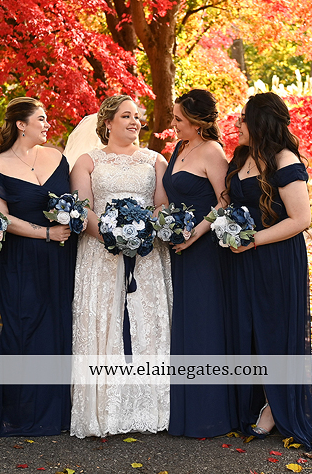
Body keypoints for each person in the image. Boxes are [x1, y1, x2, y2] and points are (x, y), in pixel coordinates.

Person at [224, 92, 312, 450]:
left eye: (243, 118)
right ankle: (254, 400)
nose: (238, 124)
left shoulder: (285, 159)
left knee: (275, 331)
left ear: (260, 122)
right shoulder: (242, 157)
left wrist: (253, 240)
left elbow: (301, 219)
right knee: (248, 331)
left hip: (276, 258)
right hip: (242, 260)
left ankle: (277, 406)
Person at [69, 95, 172, 438]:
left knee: (146, 322)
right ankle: (106, 411)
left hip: (147, 254)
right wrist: (113, 237)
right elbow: (82, 208)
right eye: (126, 116)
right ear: (108, 122)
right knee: (105, 321)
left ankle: (149, 409)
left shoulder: (155, 160)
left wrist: (141, 234)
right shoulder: (87, 161)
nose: (134, 122)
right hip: (100, 254)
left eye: (137, 116)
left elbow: (161, 205)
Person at [0, 97, 74, 436]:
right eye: (41, 118)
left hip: (62, 256)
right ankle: (22, 412)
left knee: (59, 326)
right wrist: (46, 233)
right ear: (21, 124)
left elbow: (75, 202)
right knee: (24, 329)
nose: (47, 124)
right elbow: (1, 217)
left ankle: (61, 412)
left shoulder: (57, 157)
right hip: (20, 258)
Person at [162, 89, 234, 437]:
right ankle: (184, 408)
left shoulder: (212, 151)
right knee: (185, 322)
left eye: (179, 119)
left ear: (197, 122)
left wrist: (196, 232)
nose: (174, 124)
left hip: (204, 250)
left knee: (203, 323)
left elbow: (225, 200)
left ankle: (209, 411)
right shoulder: (179, 148)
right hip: (179, 248)